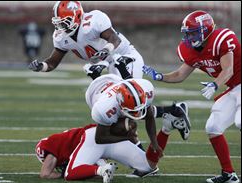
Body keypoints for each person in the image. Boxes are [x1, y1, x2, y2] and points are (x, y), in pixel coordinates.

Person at [27, 1, 191, 142]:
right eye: (59, 22)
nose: (61, 26)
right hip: (110, 65)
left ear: (77, 16)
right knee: (120, 109)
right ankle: (173, 112)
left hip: (126, 58)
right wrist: (40, 66)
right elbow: (53, 62)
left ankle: (144, 152)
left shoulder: (93, 21)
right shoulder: (61, 36)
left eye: (65, 21)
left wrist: (105, 52)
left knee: (127, 107)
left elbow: (115, 39)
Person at [142, 10, 240, 183]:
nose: (189, 37)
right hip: (234, 88)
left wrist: (215, 84)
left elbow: (228, 69)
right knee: (213, 127)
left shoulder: (220, 39)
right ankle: (229, 174)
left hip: (236, 84)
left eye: (193, 32)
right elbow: (180, 74)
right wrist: (160, 76)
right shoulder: (189, 50)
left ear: (206, 29)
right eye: (187, 33)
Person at [35, 114, 178, 183]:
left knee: (70, 174)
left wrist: (60, 173)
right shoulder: (64, 140)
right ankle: (166, 128)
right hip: (103, 136)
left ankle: (102, 170)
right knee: (148, 166)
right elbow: (96, 156)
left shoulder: (49, 147)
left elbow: (45, 174)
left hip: (92, 138)